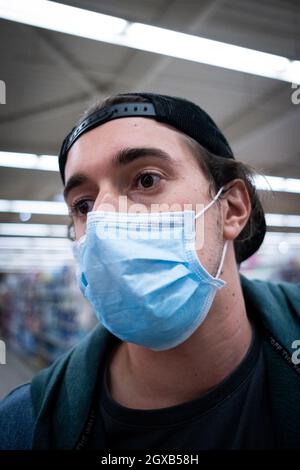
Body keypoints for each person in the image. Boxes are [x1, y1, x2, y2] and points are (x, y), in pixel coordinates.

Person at [0, 92, 299, 450]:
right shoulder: (24, 427)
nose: (103, 218)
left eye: (146, 180)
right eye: (83, 204)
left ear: (232, 209)